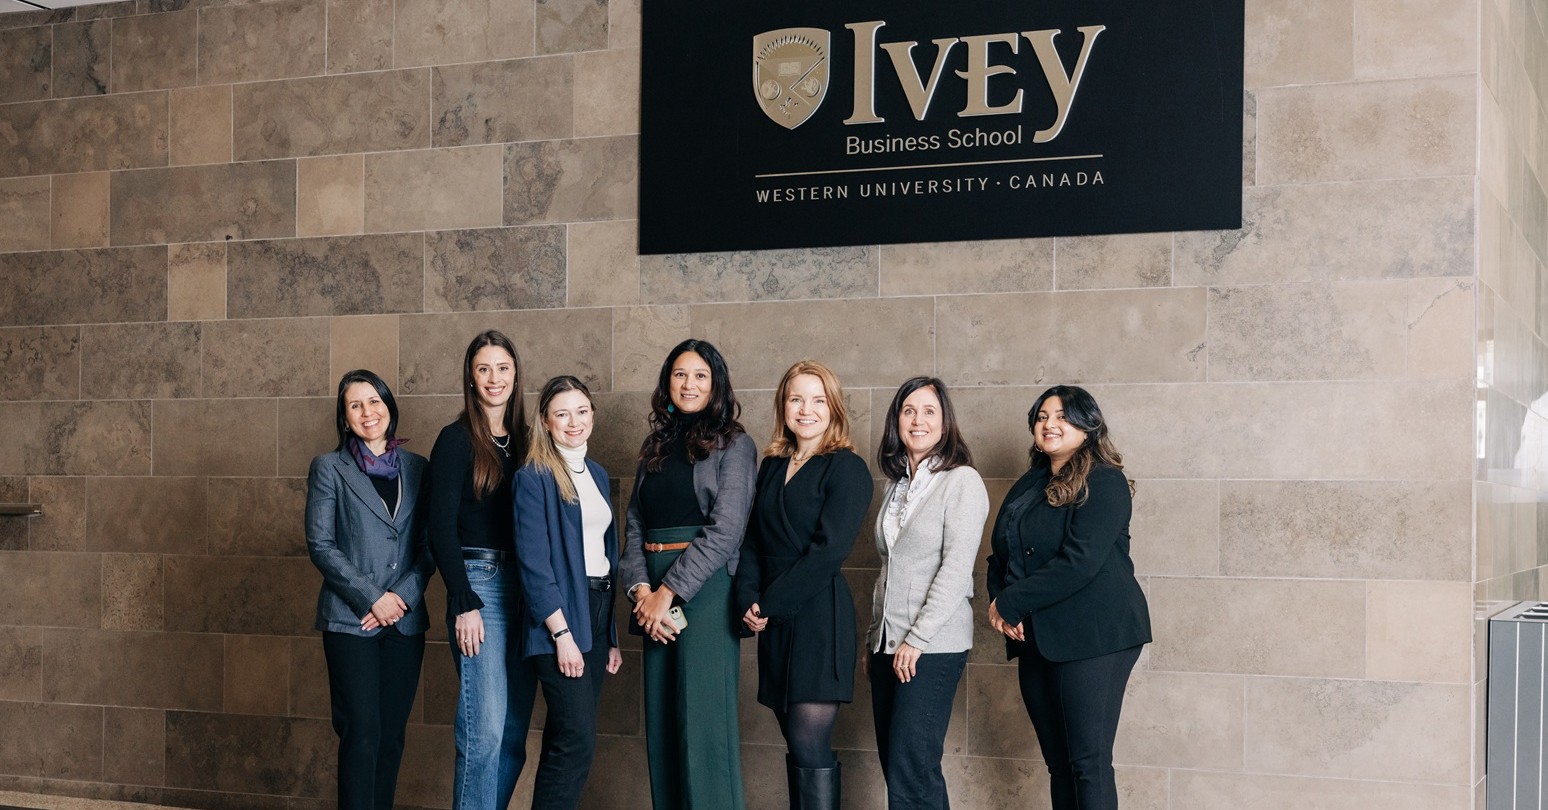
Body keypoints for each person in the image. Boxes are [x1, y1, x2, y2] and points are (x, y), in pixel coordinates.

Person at [986, 385, 1152, 810]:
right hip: (1038, 637)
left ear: (1087, 425)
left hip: (1096, 635)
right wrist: (999, 602)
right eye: (1042, 416)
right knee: (1058, 764)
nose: (1049, 424)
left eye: (1062, 416)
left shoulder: (1106, 481)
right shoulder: (1030, 483)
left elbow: (1079, 562)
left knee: (1087, 763)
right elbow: (1000, 553)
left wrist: (1011, 603)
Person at [619, 339, 757, 809]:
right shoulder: (652, 445)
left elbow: (727, 529)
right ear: (667, 382)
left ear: (716, 383)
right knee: (663, 723)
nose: (689, 383)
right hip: (650, 594)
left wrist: (668, 592)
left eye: (700, 375)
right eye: (680, 374)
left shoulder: (735, 444)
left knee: (703, 726)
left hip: (705, 590)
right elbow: (635, 522)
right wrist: (641, 590)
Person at [736, 360, 873, 810]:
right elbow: (753, 539)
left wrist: (770, 602)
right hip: (773, 618)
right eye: (796, 399)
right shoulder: (773, 464)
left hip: (818, 618)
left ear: (833, 408)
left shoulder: (847, 468)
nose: (806, 409)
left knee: (808, 743)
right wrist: (748, 599)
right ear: (783, 405)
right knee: (794, 745)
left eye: (818, 400)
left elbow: (828, 553)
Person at [305, 369, 433, 810]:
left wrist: (401, 598)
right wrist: (372, 598)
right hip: (349, 620)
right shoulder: (329, 468)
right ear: (344, 418)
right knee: (361, 732)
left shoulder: (419, 469)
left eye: (374, 401)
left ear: (389, 407)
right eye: (355, 405)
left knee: (392, 736)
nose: (367, 412)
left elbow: (429, 545)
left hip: (405, 620)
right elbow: (320, 544)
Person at [425, 330, 538, 810]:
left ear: (516, 376)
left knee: (513, 735)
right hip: (480, 587)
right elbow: (438, 529)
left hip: (526, 591)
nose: (495, 378)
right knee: (485, 731)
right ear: (470, 378)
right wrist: (463, 600)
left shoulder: (530, 442)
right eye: (484, 369)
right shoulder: (455, 441)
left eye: (503, 368)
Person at [867, 377, 988, 809]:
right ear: (897, 420)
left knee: (912, 766)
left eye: (929, 411)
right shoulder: (895, 486)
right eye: (908, 410)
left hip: (931, 646)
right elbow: (890, 568)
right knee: (899, 766)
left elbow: (956, 570)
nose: (918, 420)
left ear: (945, 421)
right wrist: (874, 637)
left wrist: (916, 639)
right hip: (886, 643)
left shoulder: (962, 482)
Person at [513, 376, 623, 808]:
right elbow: (534, 565)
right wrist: (561, 635)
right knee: (576, 740)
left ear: (592, 413)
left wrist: (609, 635)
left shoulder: (595, 472)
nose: (573, 422)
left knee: (566, 737)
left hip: (596, 612)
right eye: (561, 413)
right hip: (559, 618)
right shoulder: (533, 477)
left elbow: (603, 556)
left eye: (581, 411)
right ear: (545, 420)